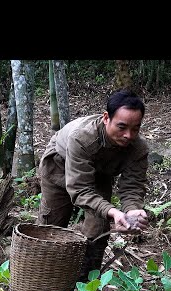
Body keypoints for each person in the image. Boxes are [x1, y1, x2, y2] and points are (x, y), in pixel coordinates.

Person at [37, 88, 150, 280]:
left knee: (98, 229)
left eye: (135, 128)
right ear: (106, 118)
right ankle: (41, 280)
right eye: (121, 127)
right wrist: (114, 212)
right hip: (59, 166)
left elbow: (132, 187)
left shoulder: (138, 149)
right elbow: (80, 189)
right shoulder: (82, 138)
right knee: (50, 229)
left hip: (100, 173)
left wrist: (132, 210)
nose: (128, 135)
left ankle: (85, 284)